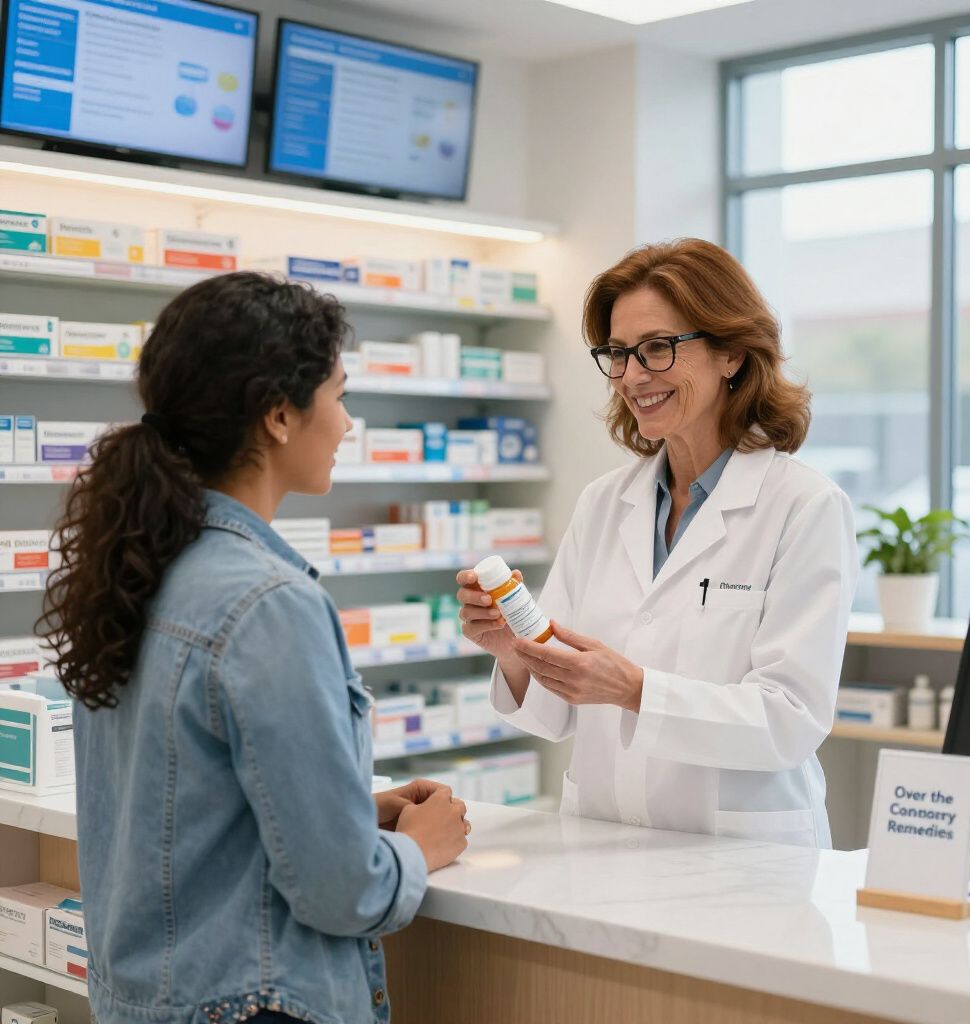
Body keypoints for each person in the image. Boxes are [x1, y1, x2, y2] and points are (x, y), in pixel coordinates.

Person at [40, 272, 469, 1024]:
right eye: (338, 395)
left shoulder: (137, 566)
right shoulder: (268, 604)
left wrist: (346, 813)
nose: (347, 423)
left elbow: (170, 813)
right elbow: (344, 891)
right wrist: (416, 850)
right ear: (278, 415)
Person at [457, 239, 857, 848]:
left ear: (731, 353)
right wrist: (512, 652)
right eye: (618, 354)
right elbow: (555, 714)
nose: (632, 376)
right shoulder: (602, 504)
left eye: (657, 348)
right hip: (601, 845)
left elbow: (791, 721)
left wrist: (635, 691)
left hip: (745, 861)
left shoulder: (804, 507)